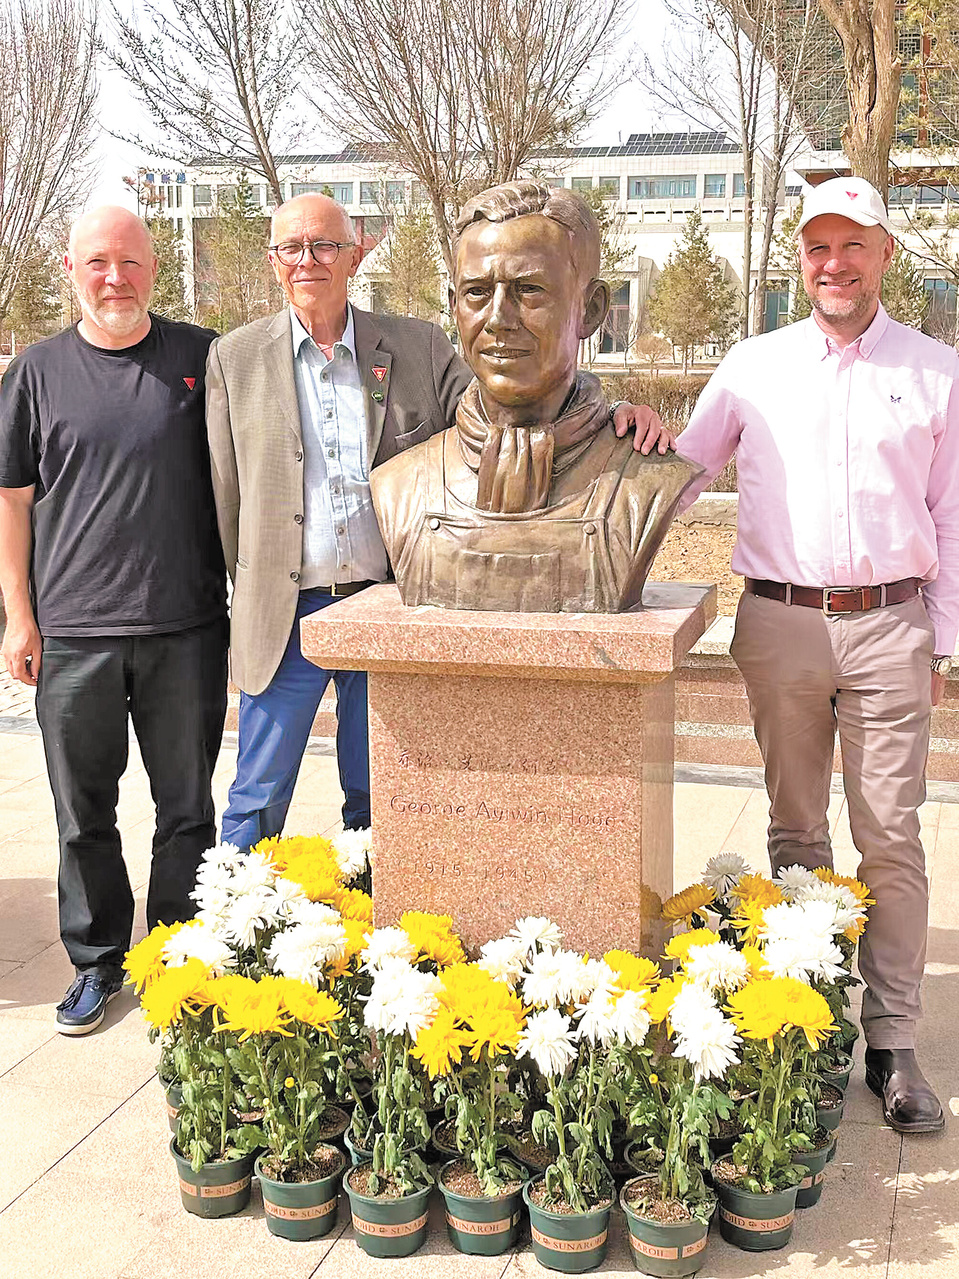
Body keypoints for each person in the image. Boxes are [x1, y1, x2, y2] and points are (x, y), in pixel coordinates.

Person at [206, 192, 672, 850]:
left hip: (387, 601)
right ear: (273, 261)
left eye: (325, 246)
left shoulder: (411, 347)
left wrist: (613, 411)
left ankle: (385, 936)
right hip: (284, 614)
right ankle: (235, 925)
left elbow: (500, 396)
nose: (307, 260)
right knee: (257, 795)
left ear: (354, 255)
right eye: (291, 248)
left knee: (383, 795)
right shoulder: (236, 357)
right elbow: (223, 497)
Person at [676, 176, 959, 1133]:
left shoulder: (935, 371)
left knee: (890, 838)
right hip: (780, 622)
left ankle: (892, 1043)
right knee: (795, 831)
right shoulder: (752, 364)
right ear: (799, 261)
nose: (832, 265)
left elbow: (952, 519)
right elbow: (678, 474)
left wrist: (942, 645)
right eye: (815, 249)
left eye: (851, 246)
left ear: (884, 253)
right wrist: (624, 446)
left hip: (891, 623)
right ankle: (800, 1021)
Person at [0, 207, 227, 1035]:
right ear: (71, 268)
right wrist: (18, 618)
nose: (114, 279)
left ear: (153, 268)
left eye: (130, 263)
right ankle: (96, 963)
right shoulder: (35, 372)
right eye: (98, 263)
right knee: (82, 813)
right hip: (74, 636)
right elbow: (12, 504)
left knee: (186, 810)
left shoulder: (202, 358)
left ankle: (170, 963)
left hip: (187, 628)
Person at [372, 181, 702, 612]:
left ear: (592, 309)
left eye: (528, 290)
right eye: (477, 292)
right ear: (454, 306)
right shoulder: (400, 484)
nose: (498, 319)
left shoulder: (649, 481)